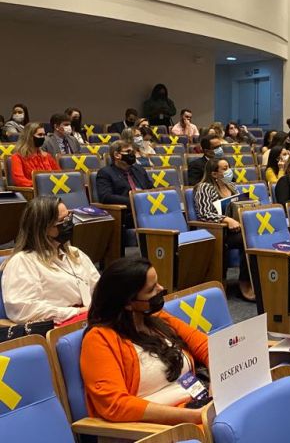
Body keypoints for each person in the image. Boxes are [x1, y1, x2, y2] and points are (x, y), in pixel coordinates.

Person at [80, 257, 208, 425]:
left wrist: (217, 388)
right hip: (156, 427)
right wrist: (192, 416)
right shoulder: (99, 340)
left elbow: (207, 346)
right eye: (151, 289)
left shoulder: (158, 319)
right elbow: (115, 405)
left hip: (198, 405)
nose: (161, 289)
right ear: (128, 303)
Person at [1, 197, 99, 324]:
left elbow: (99, 287)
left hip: (88, 318)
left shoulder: (74, 253)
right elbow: (24, 310)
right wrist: (76, 312)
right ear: (42, 229)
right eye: (62, 221)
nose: (69, 224)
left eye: (69, 217)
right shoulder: (22, 261)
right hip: (59, 325)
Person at [193, 158, 253, 301]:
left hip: (236, 228)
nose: (229, 171)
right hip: (217, 231)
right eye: (225, 169)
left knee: (255, 236)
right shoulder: (204, 187)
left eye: (229, 167)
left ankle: (254, 280)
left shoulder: (231, 186)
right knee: (247, 240)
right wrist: (227, 220)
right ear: (214, 174)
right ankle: (244, 283)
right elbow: (204, 213)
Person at [97, 141, 155, 228]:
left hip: (148, 210)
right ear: (117, 155)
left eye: (132, 151)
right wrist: (134, 200)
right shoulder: (105, 173)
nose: (132, 154)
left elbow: (151, 189)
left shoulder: (139, 169)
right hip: (126, 214)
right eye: (128, 152)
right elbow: (106, 197)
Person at [10, 122, 59, 187]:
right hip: (31, 191)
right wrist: (41, 185)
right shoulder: (17, 157)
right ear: (29, 137)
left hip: (51, 189)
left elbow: (58, 174)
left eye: (44, 135)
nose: (43, 137)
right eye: (40, 135)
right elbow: (19, 180)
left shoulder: (47, 156)